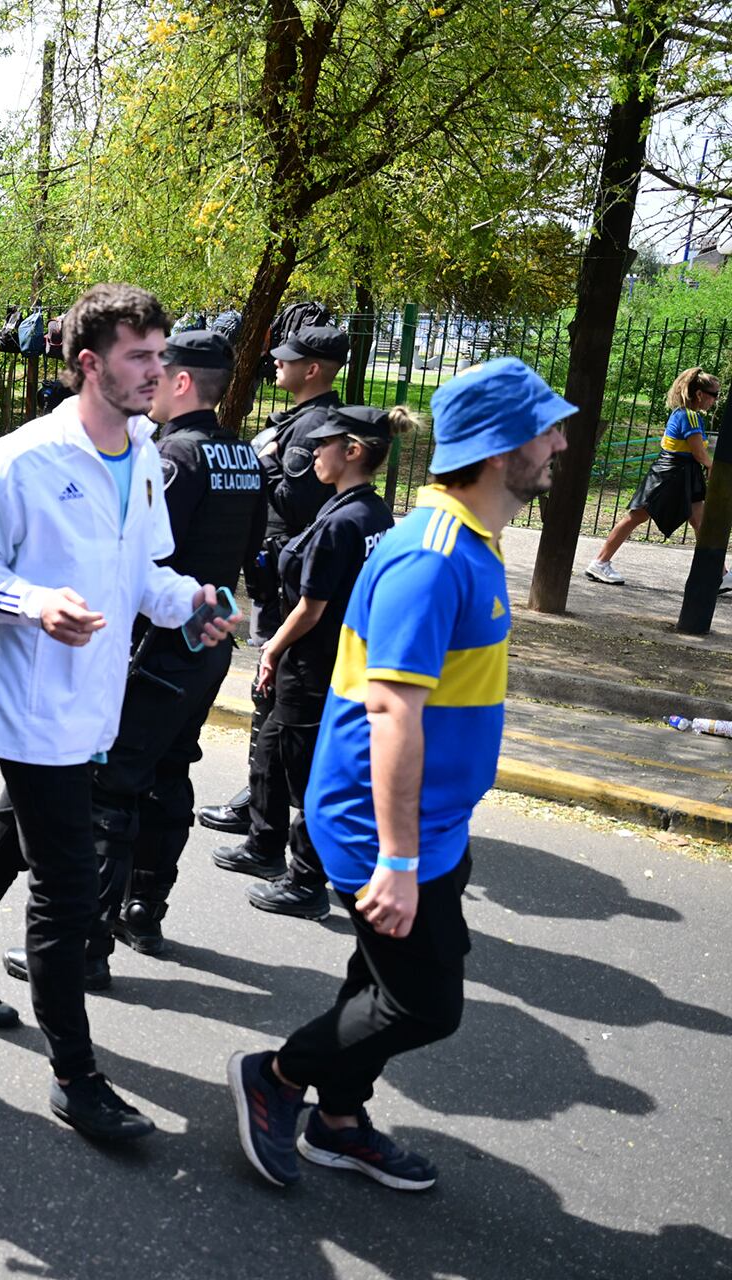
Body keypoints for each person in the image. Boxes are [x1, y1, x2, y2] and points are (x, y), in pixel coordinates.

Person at [229, 357, 570, 1194]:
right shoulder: (434, 558)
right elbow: (392, 714)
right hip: (381, 829)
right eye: (547, 429)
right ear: (499, 450)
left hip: (431, 821)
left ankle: (339, 1123)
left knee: (381, 976)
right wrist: (399, 861)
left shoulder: (471, 544)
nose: (561, 442)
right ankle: (275, 1077)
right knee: (424, 1004)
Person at [0, 284, 238, 1147]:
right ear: (89, 364)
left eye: (162, 355)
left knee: (9, 832)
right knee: (64, 884)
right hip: (36, 706)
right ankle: (76, 1077)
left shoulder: (142, 449)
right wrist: (34, 603)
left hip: (101, 702)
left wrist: (194, 604)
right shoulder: (25, 458)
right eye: (141, 356)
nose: (158, 371)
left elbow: (150, 577)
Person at [57, 327, 266, 959]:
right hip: (205, 647)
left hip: (156, 647)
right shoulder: (243, 455)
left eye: (157, 369)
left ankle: (87, 943)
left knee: (114, 785)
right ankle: (144, 908)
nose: (146, 381)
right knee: (171, 771)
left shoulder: (173, 456)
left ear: (181, 381)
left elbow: (143, 553)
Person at [242, 405, 405, 921]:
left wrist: (270, 648)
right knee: (276, 749)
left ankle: (305, 880)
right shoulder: (373, 512)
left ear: (352, 452)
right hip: (337, 660)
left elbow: (311, 609)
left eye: (324, 444)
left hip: (313, 664)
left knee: (311, 774)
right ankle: (265, 845)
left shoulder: (342, 523)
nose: (314, 452)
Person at [202, 322, 348, 871]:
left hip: (290, 578)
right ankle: (259, 794)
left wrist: (260, 460)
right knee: (271, 687)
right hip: (278, 573)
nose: (277, 365)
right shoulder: (303, 419)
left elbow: (295, 500)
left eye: (288, 360)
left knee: (272, 687)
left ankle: (263, 802)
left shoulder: (311, 426)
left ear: (312, 369)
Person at [586, 367, 730, 592]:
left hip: (681, 473)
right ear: (700, 394)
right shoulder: (689, 416)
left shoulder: (686, 414)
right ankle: (600, 562)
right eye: (715, 395)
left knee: (699, 522)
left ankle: (720, 574)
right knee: (636, 516)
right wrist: (712, 466)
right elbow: (698, 453)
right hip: (670, 474)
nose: (716, 401)